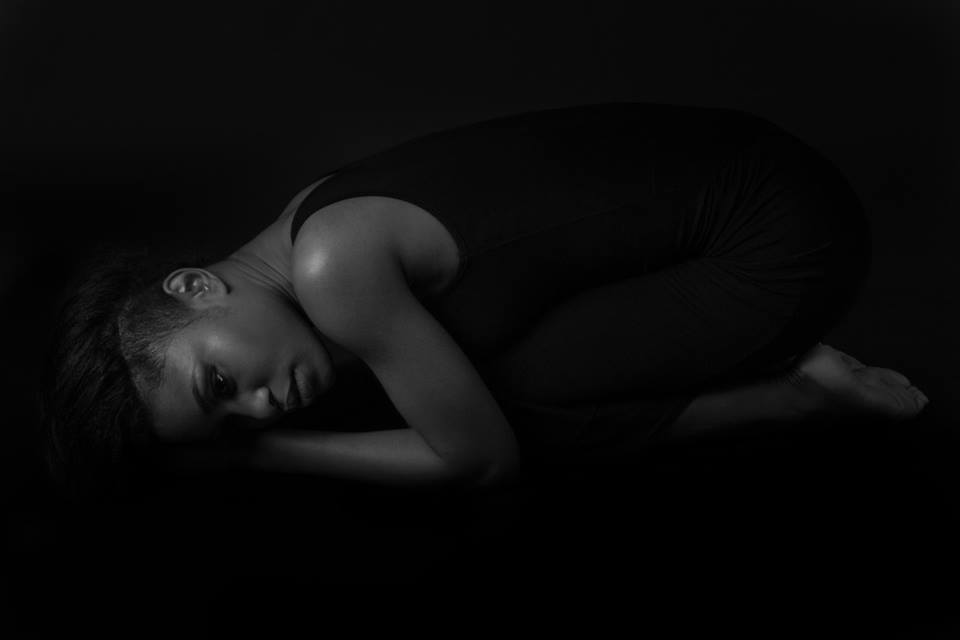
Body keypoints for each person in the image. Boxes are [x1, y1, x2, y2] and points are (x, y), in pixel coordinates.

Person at [39, 101, 929, 498]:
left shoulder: (333, 271)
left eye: (219, 384)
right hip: (766, 166)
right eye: (236, 422)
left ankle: (800, 395)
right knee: (471, 371)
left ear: (196, 287)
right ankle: (793, 381)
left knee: (506, 415)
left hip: (786, 240)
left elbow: (479, 465)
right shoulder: (307, 219)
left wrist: (264, 457)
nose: (260, 408)